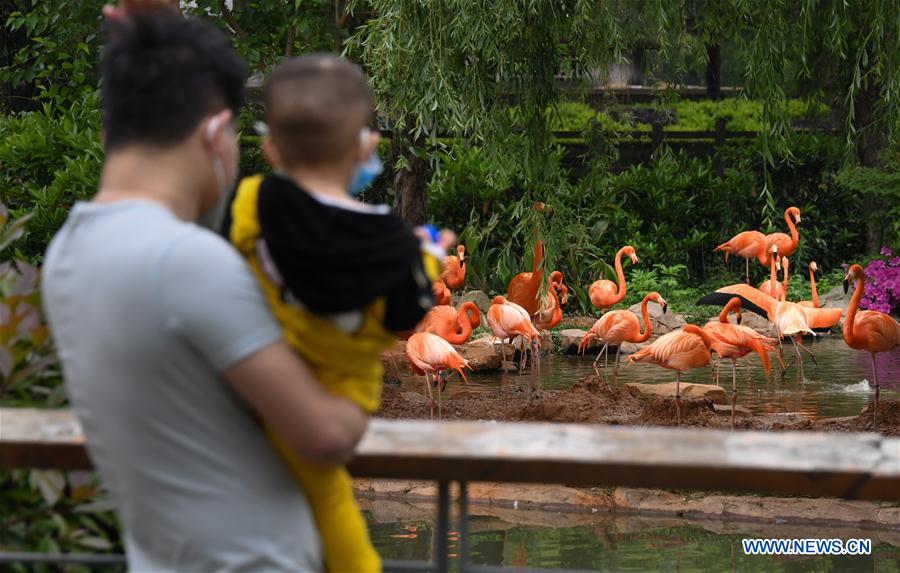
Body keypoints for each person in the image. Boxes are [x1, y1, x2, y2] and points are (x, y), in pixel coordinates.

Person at [41, 12, 366, 571]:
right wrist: (361, 365)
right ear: (216, 136)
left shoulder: (66, 254)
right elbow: (323, 435)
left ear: (110, 130)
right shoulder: (186, 262)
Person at [224, 55, 450, 573]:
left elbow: (245, 252)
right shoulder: (390, 239)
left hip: (257, 396)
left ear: (270, 148)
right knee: (344, 539)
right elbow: (405, 312)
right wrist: (429, 260)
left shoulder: (252, 201)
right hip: (335, 405)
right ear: (363, 147)